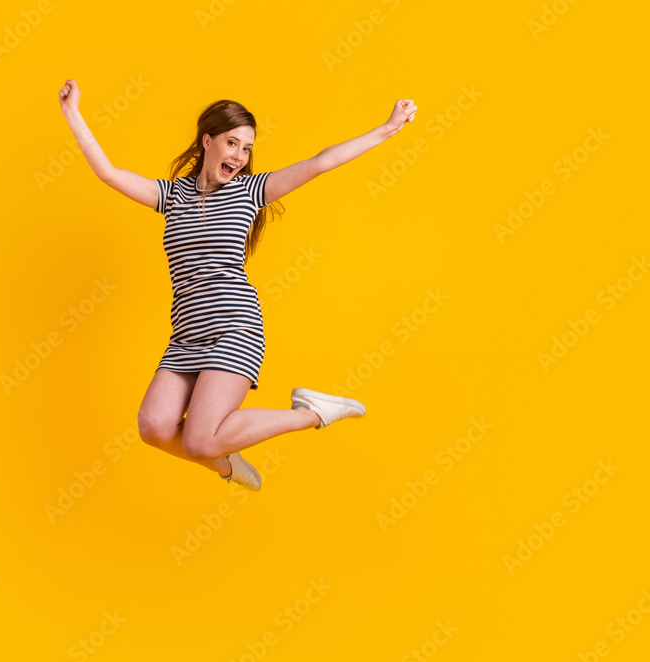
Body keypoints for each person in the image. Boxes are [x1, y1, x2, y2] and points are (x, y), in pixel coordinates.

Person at [58, 79, 417, 491]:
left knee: (198, 439)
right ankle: (224, 462)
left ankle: (311, 413)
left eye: (246, 148)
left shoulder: (249, 191)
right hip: (187, 334)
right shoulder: (171, 196)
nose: (240, 156)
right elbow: (108, 173)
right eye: (232, 144)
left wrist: (387, 128)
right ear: (207, 141)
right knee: (154, 427)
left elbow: (321, 161)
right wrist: (73, 113)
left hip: (234, 325)